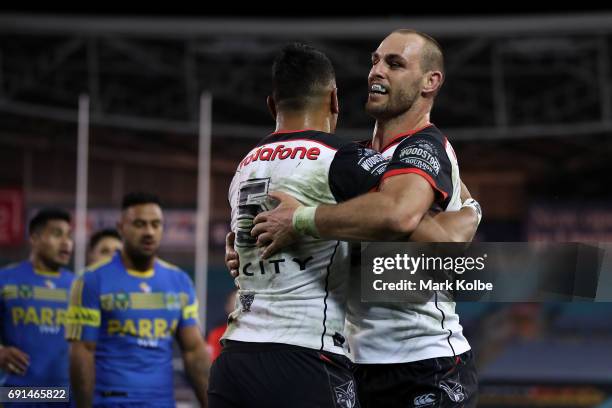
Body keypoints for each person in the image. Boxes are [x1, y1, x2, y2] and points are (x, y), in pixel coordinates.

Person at [213, 42, 477, 408]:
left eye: (394, 63)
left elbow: (429, 236)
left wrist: (298, 223)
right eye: (374, 61)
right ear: (334, 100)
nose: (377, 71)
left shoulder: (424, 149)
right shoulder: (349, 160)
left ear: (430, 81)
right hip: (344, 359)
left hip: (422, 360)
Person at [67, 192, 209, 408]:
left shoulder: (179, 281)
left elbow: (193, 352)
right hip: (109, 402)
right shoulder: (91, 280)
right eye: (139, 224)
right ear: (121, 227)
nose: (149, 232)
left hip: (161, 403)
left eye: (156, 224)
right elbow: (83, 352)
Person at [0, 208, 74, 407]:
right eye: (57, 234)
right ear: (34, 238)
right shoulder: (5, 279)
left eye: (69, 236)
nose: (66, 242)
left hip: (65, 396)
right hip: (18, 394)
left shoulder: (78, 287)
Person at [205, 290, 236, 362]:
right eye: (235, 304)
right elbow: (211, 364)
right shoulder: (217, 334)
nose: (239, 309)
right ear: (228, 307)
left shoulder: (259, 334)